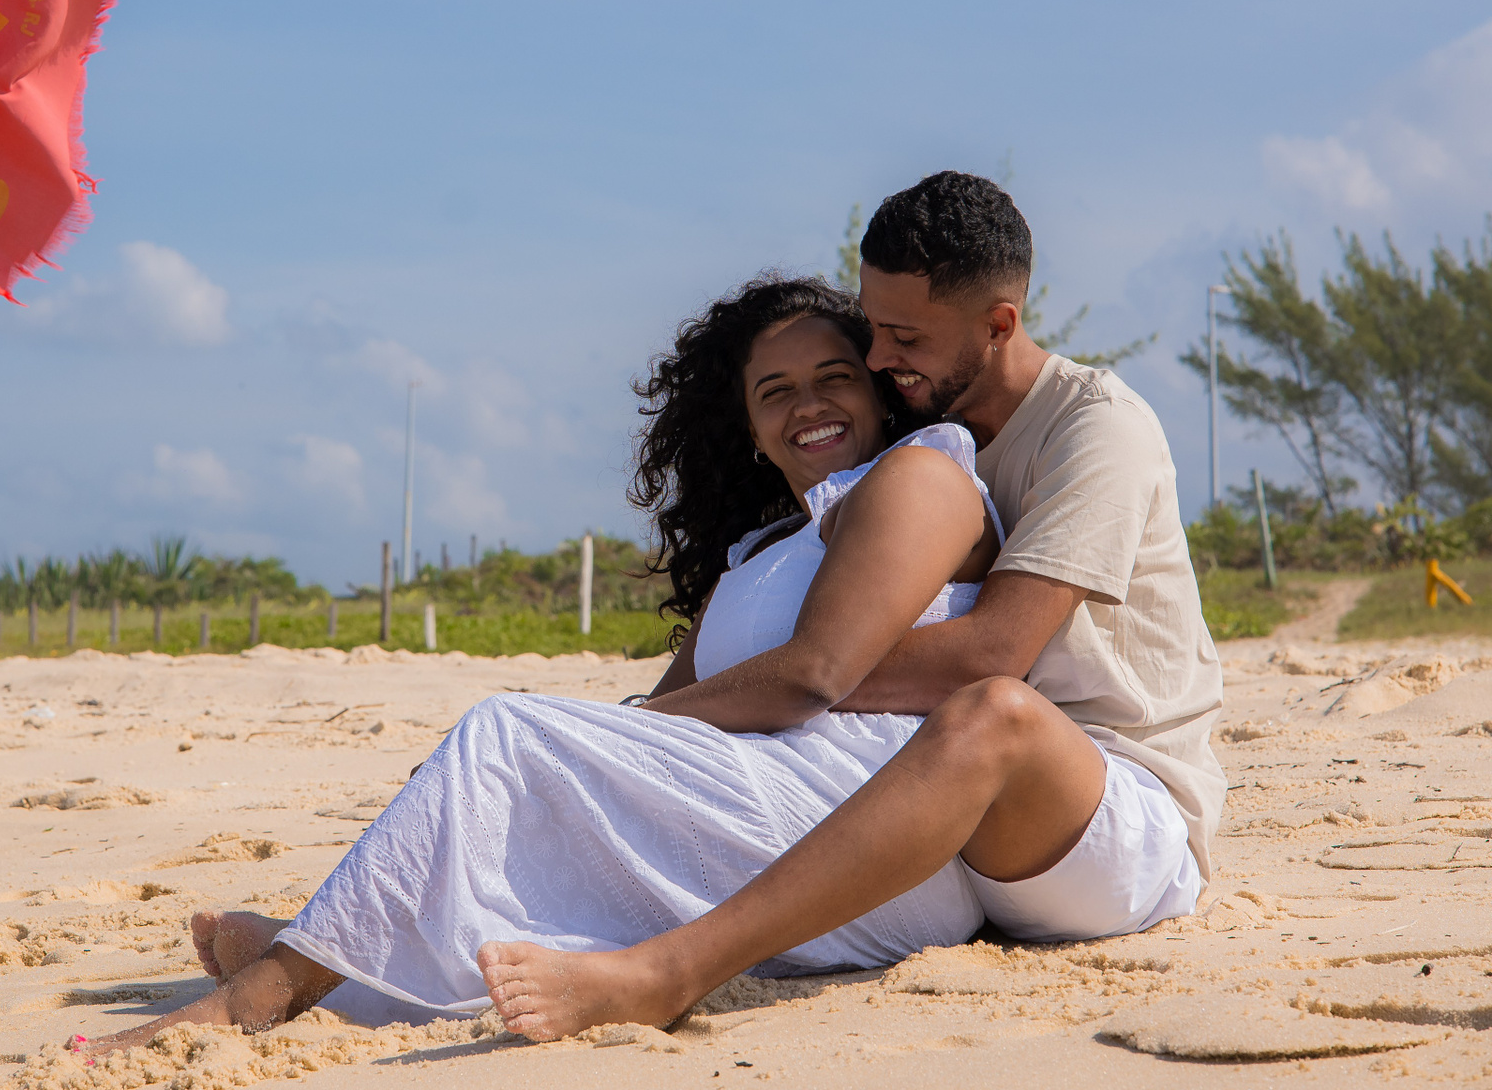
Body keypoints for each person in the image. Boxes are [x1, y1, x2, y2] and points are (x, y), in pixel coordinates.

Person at [77, 274, 1008, 1054]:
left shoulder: (918, 474)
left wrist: (550, 744)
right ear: (752, 430)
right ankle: (338, 960)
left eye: (834, 378)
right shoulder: (756, 556)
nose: (807, 405)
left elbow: (812, 678)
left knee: (506, 731)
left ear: (880, 391)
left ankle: (261, 993)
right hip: (762, 825)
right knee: (513, 804)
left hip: (874, 833)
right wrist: (501, 774)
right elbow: (657, 715)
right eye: (775, 392)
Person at [477, 170, 1223, 1039]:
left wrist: (799, 674)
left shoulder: (1095, 428)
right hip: (955, 825)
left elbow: (993, 653)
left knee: (993, 712)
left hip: (1107, 816)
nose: (876, 359)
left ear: (998, 325)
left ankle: (671, 972)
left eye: (905, 336)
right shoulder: (919, 440)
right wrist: (603, 743)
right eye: (873, 327)